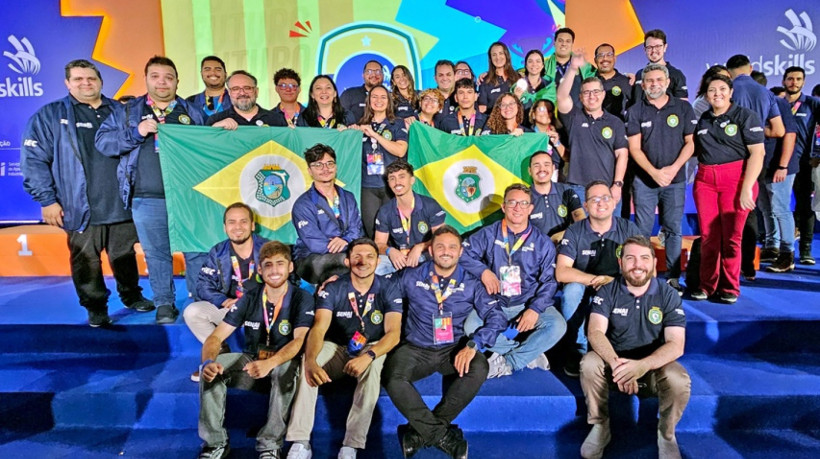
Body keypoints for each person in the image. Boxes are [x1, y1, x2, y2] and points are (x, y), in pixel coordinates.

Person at [21, 59, 153, 327]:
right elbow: (34, 160)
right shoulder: (49, 115)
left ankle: (131, 296)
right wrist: (47, 200)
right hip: (79, 205)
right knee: (86, 259)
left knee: (124, 254)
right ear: (67, 83)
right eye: (78, 79)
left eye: (91, 78)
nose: (86, 83)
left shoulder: (120, 110)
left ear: (101, 81)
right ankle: (96, 307)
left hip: (121, 202)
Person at [95, 55, 206, 324]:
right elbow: (104, 142)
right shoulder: (128, 112)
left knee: (196, 251)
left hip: (187, 197)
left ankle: (199, 302)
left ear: (177, 81)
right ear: (146, 79)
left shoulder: (193, 112)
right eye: (155, 76)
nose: (162, 82)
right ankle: (164, 303)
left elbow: (208, 148)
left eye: (169, 77)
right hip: (146, 197)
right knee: (157, 254)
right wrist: (136, 132)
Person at [383, 225, 506, 459]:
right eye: (440, 247)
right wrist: (340, 281)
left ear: (460, 252)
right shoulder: (411, 276)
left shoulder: (471, 283)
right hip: (416, 348)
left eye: (452, 247)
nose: (446, 251)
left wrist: (473, 344)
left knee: (479, 366)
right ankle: (441, 435)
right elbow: (378, 288)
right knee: (392, 377)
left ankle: (420, 434)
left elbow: (497, 317)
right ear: (430, 251)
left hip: (452, 349)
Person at [285, 239, 402, 459]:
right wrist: (310, 360)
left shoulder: (389, 287)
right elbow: (319, 328)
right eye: (357, 256)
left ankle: (351, 445)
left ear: (378, 261)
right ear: (347, 261)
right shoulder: (334, 287)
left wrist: (368, 356)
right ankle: (300, 442)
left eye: (369, 256)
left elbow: (393, 333)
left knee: (374, 366)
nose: (363, 261)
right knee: (308, 364)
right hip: (337, 347)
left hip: (370, 347)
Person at [196, 241, 314, 459]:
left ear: (290, 267)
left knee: (285, 368)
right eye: (268, 265)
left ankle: (270, 444)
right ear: (259, 269)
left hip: (283, 365)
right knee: (211, 370)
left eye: (280, 263)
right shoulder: (249, 297)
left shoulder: (302, 298)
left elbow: (299, 341)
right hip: (252, 363)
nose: (274, 270)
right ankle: (215, 443)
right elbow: (215, 337)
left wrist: (270, 363)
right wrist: (208, 362)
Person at [579, 235, 689, 459]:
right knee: (589, 363)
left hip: (652, 369)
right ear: (620, 263)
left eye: (644, 258)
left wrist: (641, 366)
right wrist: (618, 366)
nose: (638, 264)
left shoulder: (668, 294)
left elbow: (676, 345)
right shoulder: (607, 290)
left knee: (678, 378)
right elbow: (595, 332)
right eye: (630, 258)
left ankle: (666, 434)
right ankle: (600, 426)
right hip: (615, 369)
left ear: (654, 263)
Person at [461, 184, 566, 378]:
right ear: (503, 207)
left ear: (530, 209)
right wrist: (483, 271)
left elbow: (550, 282)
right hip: (494, 302)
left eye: (523, 203)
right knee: (471, 327)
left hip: (527, 301)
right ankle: (529, 354)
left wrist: (534, 309)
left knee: (558, 326)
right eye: (512, 203)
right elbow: (462, 253)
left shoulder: (542, 242)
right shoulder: (488, 233)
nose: (517, 208)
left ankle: (509, 362)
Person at [691, 74, 765, 304]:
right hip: (705, 182)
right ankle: (707, 285)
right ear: (705, 95)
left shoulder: (745, 116)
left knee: (732, 237)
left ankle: (730, 287)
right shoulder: (703, 119)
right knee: (709, 237)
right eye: (712, 90)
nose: (717, 94)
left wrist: (747, 187)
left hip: (736, 180)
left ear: (731, 92)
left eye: (722, 89)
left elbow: (758, 153)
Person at [556, 181, 641, 377]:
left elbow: (646, 269)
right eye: (594, 199)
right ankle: (578, 349)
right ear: (585, 206)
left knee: (636, 287)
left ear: (613, 202)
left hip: (617, 285)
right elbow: (562, 272)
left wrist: (614, 282)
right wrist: (595, 279)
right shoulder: (575, 230)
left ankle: (621, 348)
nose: (600, 203)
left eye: (605, 198)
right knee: (571, 291)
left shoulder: (629, 229)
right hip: (585, 284)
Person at [625, 63, 697, 294]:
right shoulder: (635, 110)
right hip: (644, 181)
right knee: (642, 231)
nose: (654, 84)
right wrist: (654, 172)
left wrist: (674, 169)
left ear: (667, 83)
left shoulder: (683, 108)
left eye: (658, 80)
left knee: (673, 228)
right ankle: (643, 276)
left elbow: (691, 143)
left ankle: (673, 277)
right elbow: (634, 148)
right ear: (642, 85)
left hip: (675, 181)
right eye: (649, 81)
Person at [183, 203, 268, 382]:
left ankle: (264, 358)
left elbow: (287, 283)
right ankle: (220, 355)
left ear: (253, 225)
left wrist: (259, 302)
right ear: (225, 227)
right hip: (231, 308)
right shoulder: (218, 251)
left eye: (243, 221)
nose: (238, 227)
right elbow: (203, 285)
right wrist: (224, 301)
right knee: (193, 312)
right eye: (232, 222)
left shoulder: (268, 249)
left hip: (263, 309)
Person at [726, 55, 785, 281]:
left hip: (731, 159)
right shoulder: (765, 92)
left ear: (729, 72)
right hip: (757, 159)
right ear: (750, 68)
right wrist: (758, 133)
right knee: (749, 211)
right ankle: (748, 266)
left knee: (726, 212)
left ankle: (728, 266)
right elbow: (778, 130)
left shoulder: (730, 90)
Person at [557, 52, 629, 212]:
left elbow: (622, 155)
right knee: (580, 227)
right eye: (586, 92)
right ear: (580, 97)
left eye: (596, 92)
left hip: (607, 189)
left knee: (610, 228)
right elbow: (561, 97)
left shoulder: (615, 122)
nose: (591, 96)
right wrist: (572, 69)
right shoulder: (574, 117)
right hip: (578, 188)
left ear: (603, 95)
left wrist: (617, 185)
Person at [291, 144, 363, 285]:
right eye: (318, 165)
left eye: (330, 163)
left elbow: (356, 228)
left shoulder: (348, 197)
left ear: (336, 167)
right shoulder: (303, 204)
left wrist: (346, 240)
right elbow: (315, 243)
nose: (325, 168)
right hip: (312, 258)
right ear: (310, 171)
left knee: (372, 261)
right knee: (350, 261)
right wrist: (347, 245)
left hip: (347, 251)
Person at [352, 85, 409, 239]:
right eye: (374, 97)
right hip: (368, 186)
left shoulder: (397, 123)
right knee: (372, 232)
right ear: (368, 101)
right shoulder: (360, 125)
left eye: (383, 97)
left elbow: (400, 150)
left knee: (395, 232)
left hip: (392, 185)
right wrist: (347, 133)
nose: (379, 100)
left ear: (389, 101)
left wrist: (375, 135)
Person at [374, 161, 446, 275]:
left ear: (412, 180)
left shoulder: (430, 205)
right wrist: (390, 251)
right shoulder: (385, 211)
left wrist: (420, 247)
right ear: (388, 183)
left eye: (402, 177)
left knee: (441, 258)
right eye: (392, 178)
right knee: (374, 267)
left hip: (425, 255)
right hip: (400, 259)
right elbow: (378, 243)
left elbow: (442, 238)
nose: (397, 182)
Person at [782, 66, 820, 265]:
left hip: (805, 163)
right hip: (780, 164)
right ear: (784, 81)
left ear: (804, 82)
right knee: (778, 207)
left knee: (805, 206)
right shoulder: (777, 103)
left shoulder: (813, 104)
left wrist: (818, 154)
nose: (794, 82)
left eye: (798, 79)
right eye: (790, 79)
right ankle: (780, 248)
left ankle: (805, 250)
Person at [759, 84, 799, 273]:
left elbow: (790, 135)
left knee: (780, 209)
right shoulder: (754, 104)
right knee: (766, 208)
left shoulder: (778, 103)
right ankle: (771, 246)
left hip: (779, 167)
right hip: (762, 166)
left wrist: (783, 166)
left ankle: (787, 253)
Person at [527, 150, 585, 241]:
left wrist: (558, 237)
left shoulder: (566, 191)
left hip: (564, 246)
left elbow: (580, 219)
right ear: (530, 171)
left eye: (546, 165)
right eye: (536, 165)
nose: (542, 169)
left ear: (553, 168)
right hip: (536, 247)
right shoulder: (524, 197)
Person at [631, 29, 688, 103]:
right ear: (645, 50)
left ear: (665, 47)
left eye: (658, 46)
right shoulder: (639, 74)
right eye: (649, 47)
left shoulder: (676, 75)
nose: (653, 50)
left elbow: (683, 106)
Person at [542, 28, 596, 104]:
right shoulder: (542, 66)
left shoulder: (585, 67)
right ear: (554, 43)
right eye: (560, 41)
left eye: (568, 41)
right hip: (551, 109)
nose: (564, 44)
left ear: (572, 44)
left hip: (579, 110)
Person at [206, 71, 275, 128]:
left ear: (256, 91)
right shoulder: (215, 120)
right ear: (229, 93)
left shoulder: (276, 119)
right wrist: (215, 130)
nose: (242, 93)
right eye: (235, 89)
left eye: (247, 88)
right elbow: (207, 140)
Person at [478, 42, 519, 113]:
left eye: (501, 53)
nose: (498, 58)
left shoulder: (518, 78)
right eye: (494, 55)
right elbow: (482, 109)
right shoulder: (485, 81)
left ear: (506, 55)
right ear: (490, 58)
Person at [593, 43, 631, 120]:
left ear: (614, 58)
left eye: (609, 54)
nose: (605, 58)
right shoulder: (589, 83)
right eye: (600, 55)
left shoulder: (626, 82)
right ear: (595, 60)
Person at [529, 99, 566, 170]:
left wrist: (557, 143)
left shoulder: (560, 133)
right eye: (542, 109)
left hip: (555, 173)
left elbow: (567, 158)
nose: (546, 113)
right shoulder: (526, 134)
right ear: (533, 114)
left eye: (549, 111)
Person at [513, 49, 549, 116]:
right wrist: (517, 98)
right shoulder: (516, 87)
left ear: (542, 65)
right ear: (526, 65)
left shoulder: (550, 86)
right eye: (530, 61)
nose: (534, 64)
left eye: (538, 61)